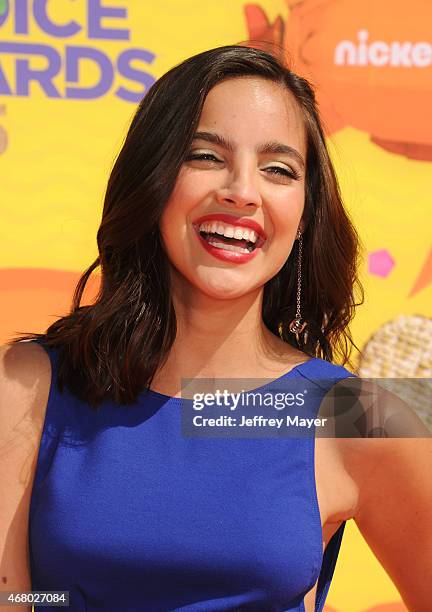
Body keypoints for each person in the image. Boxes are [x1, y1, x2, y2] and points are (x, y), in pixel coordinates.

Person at [0, 44, 430, 612]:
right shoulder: (30, 385)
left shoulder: (355, 417)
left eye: (279, 170)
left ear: (304, 215)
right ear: (152, 179)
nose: (242, 191)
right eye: (205, 156)